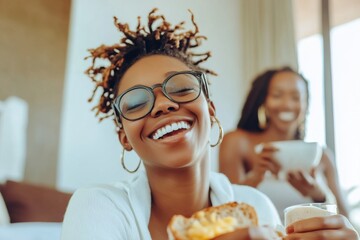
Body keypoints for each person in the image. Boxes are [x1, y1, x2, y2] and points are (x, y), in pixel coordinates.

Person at [61, 9, 358, 240]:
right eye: (137, 103)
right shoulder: (97, 206)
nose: (164, 104)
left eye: (180, 88)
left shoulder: (256, 206)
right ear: (124, 137)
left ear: (211, 110)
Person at [219, 67, 351, 221]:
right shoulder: (238, 142)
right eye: (277, 95)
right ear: (264, 101)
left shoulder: (322, 156)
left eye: (295, 97)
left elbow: (346, 223)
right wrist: (254, 177)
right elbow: (224, 211)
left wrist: (320, 195)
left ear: (306, 105)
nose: (287, 105)